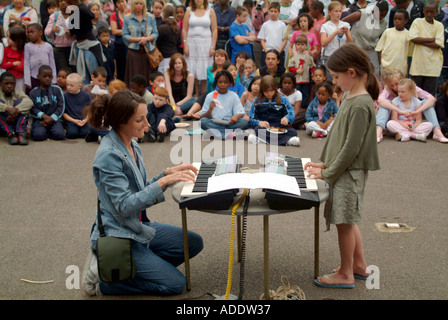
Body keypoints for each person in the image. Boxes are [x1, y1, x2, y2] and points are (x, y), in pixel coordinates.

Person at [82, 90, 203, 296]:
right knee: (176, 284)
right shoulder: (108, 155)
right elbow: (124, 205)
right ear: (121, 121)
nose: (147, 124)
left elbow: (139, 188)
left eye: (146, 117)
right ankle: (109, 280)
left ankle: (129, 265)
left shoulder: (132, 144)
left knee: (193, 243)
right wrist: (163, 182)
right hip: (119, 233)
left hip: (136, 226)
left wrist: (166, 174)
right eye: (140, 119)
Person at [305, 43, 380, 289]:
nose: (334, 82)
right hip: (343, 170)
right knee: (349, 220)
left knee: (344, 224)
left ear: (351, 73)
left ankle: (346, 273)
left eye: (336, 77)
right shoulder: (350, 96)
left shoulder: (359, 103)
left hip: (349, 173)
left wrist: (328, 172)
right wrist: (325, 163)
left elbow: (351, 148)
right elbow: (340, 138)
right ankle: (358, 265)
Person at [376, 69, 448, 143]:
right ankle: (379, 130)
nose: (395, 88)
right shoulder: (389, 91)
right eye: (392, 85)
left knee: (426, 103)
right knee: (385, 104)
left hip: (413, 119)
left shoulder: (411, 88)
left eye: (397, 84)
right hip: (396, 119)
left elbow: (431, 99)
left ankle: (436, 131)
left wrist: (417, 111)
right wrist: (399, 111)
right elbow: (380, 101)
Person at [248, 74, 300, 146]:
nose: (269, 93)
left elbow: (291, 113)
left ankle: (263, 140)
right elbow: (251, 118)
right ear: (262, 90)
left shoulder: (283, 99)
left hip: (279, 126)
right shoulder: (257, 101)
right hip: (265, 127)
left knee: (293, 132)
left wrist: (287, 118)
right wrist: (259, 123)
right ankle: (286, 141)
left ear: (275, 88)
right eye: (266, 91)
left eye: (271, 91)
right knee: (257, 130)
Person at [343, 0, 389, 78]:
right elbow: (343, 22)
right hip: (357, 48)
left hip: (371, 50)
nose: (381, 17)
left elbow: (382, 39)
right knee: (357, 72)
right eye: (379, 14)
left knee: (375, 73)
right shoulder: (362, 14)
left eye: (383, 16)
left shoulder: (384, 23)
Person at [408, 0, 444, 98]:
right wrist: (432, 39)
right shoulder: (417, 22)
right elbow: (413, 38)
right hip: (418, 65)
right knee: (415, 95)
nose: (429, 14)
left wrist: (421, 40)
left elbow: (439, 44)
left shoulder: (439, 25)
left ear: (436, 12)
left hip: (433, 66)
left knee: (429, 96)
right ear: (423, 11)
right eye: (427, 11)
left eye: (432, 12)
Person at [199, 70, 248, 139]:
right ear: (216, 83)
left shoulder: (233, 95)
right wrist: (210, 109)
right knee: (202, 122)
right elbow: (204, 116)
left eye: (225, 82)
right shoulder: (210, 96)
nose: (222, 84)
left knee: (244, 122)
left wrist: (236, 116)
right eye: (220, 82)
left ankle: (216, 133)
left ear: (230, 83)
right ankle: (228, 134)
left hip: (229, 123)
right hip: (214, 122)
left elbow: (241, 112)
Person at [66, 0, 106, 86]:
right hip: (79, 47)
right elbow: (73, 31)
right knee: (84, 79)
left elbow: (91, 15)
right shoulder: (74, 11)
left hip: (90, 47)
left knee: (95, 78)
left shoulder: (82, 9)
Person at [182, 0, 218, 95]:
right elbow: (184, 30)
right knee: (193, 68)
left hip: (206, 44)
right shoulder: (189, 11)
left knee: (204, 68)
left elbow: (214, 30)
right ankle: (195, 92)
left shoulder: (210, 11)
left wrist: (212, 46)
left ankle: (204, 93)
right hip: (192, 44)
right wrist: (185, 45)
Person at [122, 0, 158, 86]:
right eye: (136, 3)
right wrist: (138, 39)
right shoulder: (127, 18)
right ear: (132, 5)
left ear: (144, 5)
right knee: (134, 78)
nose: (138, 6)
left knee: (147, 77)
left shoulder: (150, 17)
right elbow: (125, 35)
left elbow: (155, 33)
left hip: (148, 52)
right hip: (133, 52)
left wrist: (146, 39)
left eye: (140, 4)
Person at [29, 65, 66, 141]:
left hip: (55, 119)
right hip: (40, 119)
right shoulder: (33, 92)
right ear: (38, 76)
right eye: (44, 76)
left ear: (52, 77)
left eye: (49, 76)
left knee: (59, 135)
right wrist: (44, 116)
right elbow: (32, 108)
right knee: (38, 136)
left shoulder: (57, 89)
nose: (47, 78)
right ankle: (44, 130)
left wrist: (52, 118)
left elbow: (61, 106)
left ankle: (50, 130)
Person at [0, 71, 33, 145]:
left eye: (12, 83)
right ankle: (11, 134)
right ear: (1, 84)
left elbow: (29, 102)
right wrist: (7, 109)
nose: (9, 86)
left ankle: (21, 133)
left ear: (15, 84)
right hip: (3, 123)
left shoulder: (18, 92)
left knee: (22, 102)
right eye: (6, 83)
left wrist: (16, 110)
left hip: (15, 121)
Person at [375, 9, 410, 77]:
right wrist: (381, 65)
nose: (397, 21)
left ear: (406, 21)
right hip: (386, 68)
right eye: (395, 19)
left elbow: (409, 54)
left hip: (401, 69)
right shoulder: (387, 32)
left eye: (400, 19)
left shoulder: (408, 35)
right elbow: (379, 49)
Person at [24, 23, 57, 94]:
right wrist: (27, 81)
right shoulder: (28, 46)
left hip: (46, 78)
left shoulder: (48, 46)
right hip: (33, 77)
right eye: (28, 32)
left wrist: (54, 80)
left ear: (40, 33)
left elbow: (52, 63)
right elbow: (26, 64)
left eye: (32, 32)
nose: (29, 34)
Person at [44, 0, 75, 73]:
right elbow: (46, 32)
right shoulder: (55, 16)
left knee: (74, 71)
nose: (63, 3)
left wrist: (70, 32)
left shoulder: (75, 15)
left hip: (73, 48)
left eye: (65, 1)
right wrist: (52, 30)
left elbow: (80, 32)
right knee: (63, 71)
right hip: (59, 49)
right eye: (61, 1)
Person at [320, 1, 352, 68]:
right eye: (336, 11)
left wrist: (347, 33)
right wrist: (335, 33)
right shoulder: (325, 26)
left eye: (340, 11)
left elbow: (350, 43)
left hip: (342, 57)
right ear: (329, 12)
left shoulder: (345, 24)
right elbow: (323, 43)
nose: (338, 14)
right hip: (329, 56)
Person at [288, 34, 316, 109]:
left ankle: (304, 109)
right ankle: (297, 108)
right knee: (297, 94)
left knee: (306, 95)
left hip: (306, 79)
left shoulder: (309, 55)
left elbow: (312, 66)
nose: (300, 46)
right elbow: (290, 67)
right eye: (298, 44)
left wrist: (313, 75)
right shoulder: (293, 55)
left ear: (306, 45)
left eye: (302, 44)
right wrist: (296, 70)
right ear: (295, 45)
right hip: (297, 80)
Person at [62, 72, 92, 139]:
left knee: (85, 133)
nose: (69, 87)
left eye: (71, 85)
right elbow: (64, 113)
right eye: (67, 85)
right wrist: (74, 120)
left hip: (83, 120)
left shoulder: (86, 95)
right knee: (72, 134)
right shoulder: (65, 96)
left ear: (80, 86)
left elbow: (91, 110)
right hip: (71, 121)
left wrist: (86, 120)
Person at [258, 2, 287, 68]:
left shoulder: (282, 25)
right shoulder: (265, 25)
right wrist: (266, 51)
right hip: (267, 51)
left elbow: (285, 40)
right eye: (271, 11)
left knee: (279, 71)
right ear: (268, 11)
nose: (273, 13)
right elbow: (262, 39)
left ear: (279, 12)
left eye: (275, 11)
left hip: (279, 52)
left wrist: (279, 52)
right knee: (266, 70)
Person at [156, 4, 182, 75]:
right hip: (174, 57)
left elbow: (158, 43)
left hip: (164, 58)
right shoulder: (177, 28)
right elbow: (179, 43)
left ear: (163, 14)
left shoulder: (161, 28)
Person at [0, 27, 26, 92]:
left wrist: (9, 63)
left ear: (16, 39)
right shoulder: (6, 49)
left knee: (20, 94)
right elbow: (3, 65)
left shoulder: (23, 51)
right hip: (8, 78)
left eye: (9, 37)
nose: (7, 39)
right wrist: (14, 63)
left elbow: (21, 68)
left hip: (20, 78)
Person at [110, 0, 130, 81]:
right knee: (121, 68)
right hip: (120, 46)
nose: (121, 4)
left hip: (131, 45)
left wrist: (121, 31)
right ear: (116, 5)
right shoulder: (114, 15)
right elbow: (114, 31)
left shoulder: (132, 13)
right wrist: (128, 31)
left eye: (122, 1)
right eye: (118, 2)